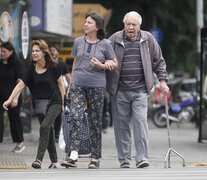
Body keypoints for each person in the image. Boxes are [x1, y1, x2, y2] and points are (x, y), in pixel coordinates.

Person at [106, 11, 169, 168]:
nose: (131, 27)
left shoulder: (148, 39)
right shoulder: (114, 39)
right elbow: (102, 56)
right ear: (124, 25)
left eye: (134, 24)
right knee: (122, 127)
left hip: (140, 90)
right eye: (128, 24)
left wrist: (163, 81)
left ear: (139, 26)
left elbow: (159, 61)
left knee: (140, 123)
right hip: (119, 90)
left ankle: (142, 158)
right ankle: (125, 159)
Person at [62, 12, 117, 169]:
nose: (85, 24)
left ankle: (95, 157)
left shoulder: (106, 44)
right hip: (78, 84)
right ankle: (73, 154)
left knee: (95, 121)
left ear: (97, 27)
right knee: (75, 116)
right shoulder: (78, 41)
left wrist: (101, 65)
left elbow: (114, 62)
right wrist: (71, 85)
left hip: (97, 86)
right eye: (85, 22)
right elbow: (75, 64)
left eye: (89, 22)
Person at [3, 39, 65, 169]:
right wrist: (9, 99)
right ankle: (54, 162)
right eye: (33, 51)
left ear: (44, 52)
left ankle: (38, 159)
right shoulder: (31, 68)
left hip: (55, 102)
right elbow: (20, 85)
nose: (34, 53)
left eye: (37, 50)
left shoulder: (54, 66)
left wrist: (63, 103)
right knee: (48, 131)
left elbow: (61, 85)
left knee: (44, 127)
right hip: (40, 104)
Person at [0, 42, 25, 153]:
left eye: (4, 51)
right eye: (1, 51)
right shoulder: (0, 63)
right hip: (1, 96)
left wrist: (15, 98)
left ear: (11, 52)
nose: (2, 53)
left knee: (14, 120)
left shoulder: (17, 63)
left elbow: (20, 82)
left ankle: (19, 143)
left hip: (13, 97)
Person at [49, 45, 71, 143]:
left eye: (54, 51)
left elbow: (68, 77)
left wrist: (70, 88)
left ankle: (56, 134)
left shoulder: (62, 65)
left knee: (58, 114)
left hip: (59, 91)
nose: (52, 52)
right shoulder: (47, 64)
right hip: (48, 91)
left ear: (57, 52)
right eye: (51, 51)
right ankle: (47, 134)